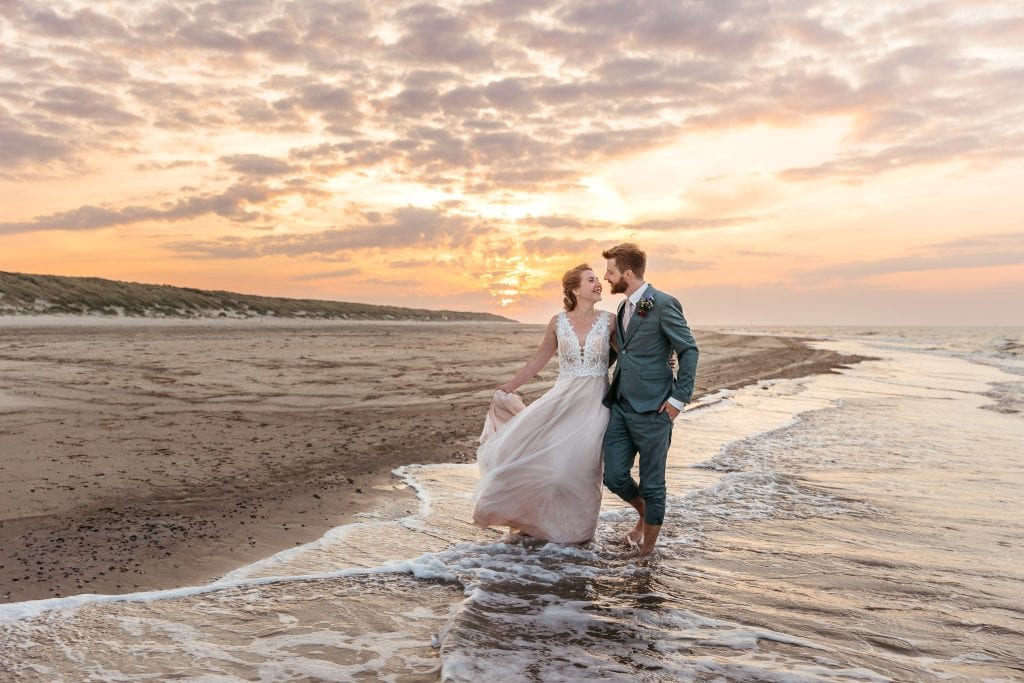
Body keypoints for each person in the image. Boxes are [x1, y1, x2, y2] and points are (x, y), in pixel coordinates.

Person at [472, 264, 613, 544]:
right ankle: (533, 520)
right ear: (575, 289)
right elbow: (540, 359)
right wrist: (509, 387)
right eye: (591, 280)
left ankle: (577, 534)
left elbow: (630, 355)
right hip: (562, 398)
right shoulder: (558, 322)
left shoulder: (610, 320)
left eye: (598, 279)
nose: (599, 283)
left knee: (579, 469)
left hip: (595, 403)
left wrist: (663, 361)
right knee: (541, 459)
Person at [602, 243, 699, 557]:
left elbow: (688, 350)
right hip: (621, 404)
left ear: (627, 274)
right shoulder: (622, 308)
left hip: (655, 409)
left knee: (653, 483)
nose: (606, 277)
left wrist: (678, 399)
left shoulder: (664, 304)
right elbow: (623, 351)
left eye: (611, 272)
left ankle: (647, 553)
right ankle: (644, 515)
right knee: (614, 475)